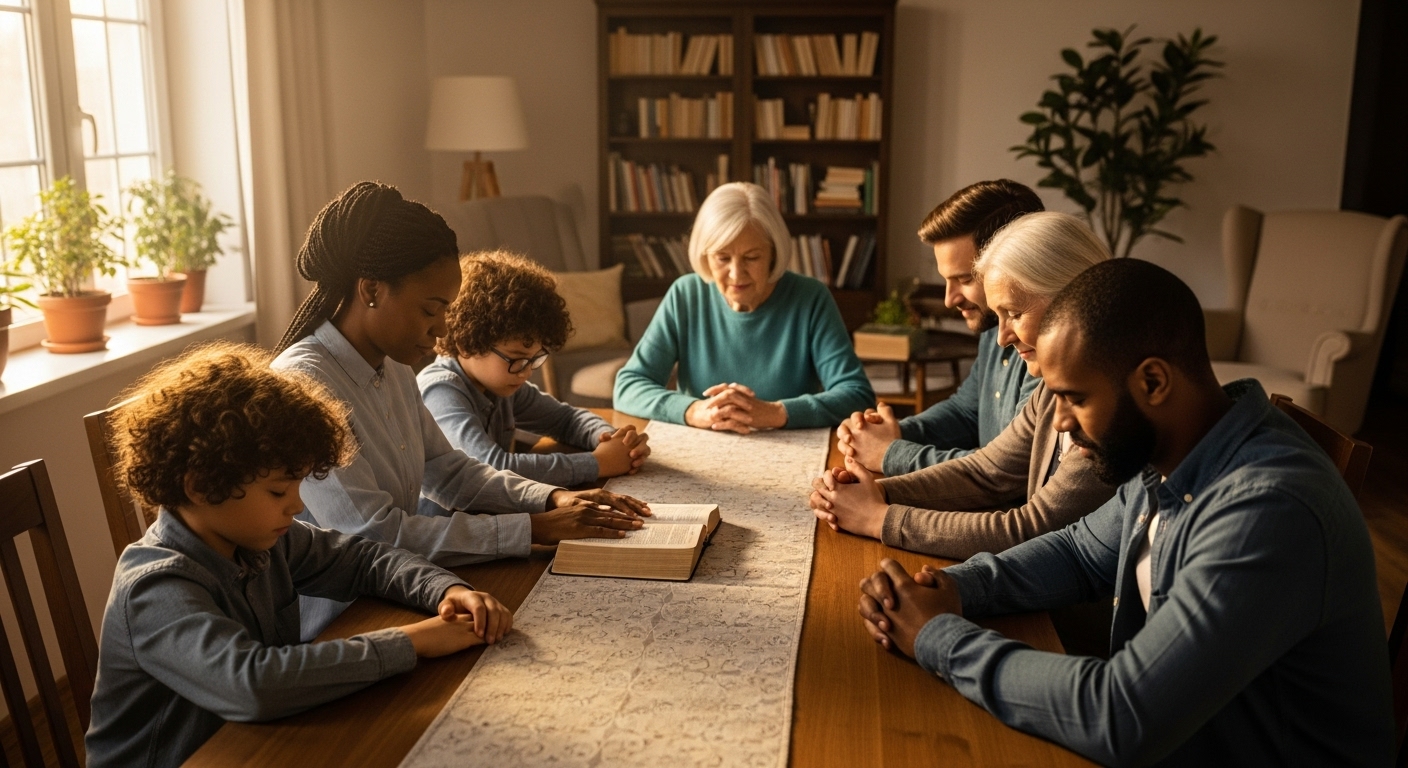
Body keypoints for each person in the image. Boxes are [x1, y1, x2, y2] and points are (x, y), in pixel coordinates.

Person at [856, 259, 1394, 766]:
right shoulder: (1173, 447)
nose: (1060, 422)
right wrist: (956, 588)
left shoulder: (1269, 508)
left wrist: (937, 638)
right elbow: (1079, 553)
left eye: (1074, 398)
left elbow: (1122, 714)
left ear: (1153, 382)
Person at [84, 343, 514, 768]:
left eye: (298, 486)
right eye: (277, 490)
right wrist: (413, 641)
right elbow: (254, 683)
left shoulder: (261, 540)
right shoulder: (154, 586)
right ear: (200, 485)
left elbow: (365, 560)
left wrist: (445, 587)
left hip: (260, 743)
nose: (294, 505)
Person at [272, 182, 649, 639]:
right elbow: (371, 535)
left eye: (448, 310)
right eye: (432, 309)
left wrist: (551, 499)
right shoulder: (305, 381)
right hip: (345, 620)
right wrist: (534, 527)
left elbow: (449, 469)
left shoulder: (391, 365)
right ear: (371, 290)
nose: (442, 330)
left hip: (413, 585)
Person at [811, 212, 1115, 560]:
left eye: (1014, 314)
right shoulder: (1050, 387)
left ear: (1071, 297)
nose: (1001, 338)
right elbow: (986, 471)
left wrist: (879, 517)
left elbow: (1030, 528)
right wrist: (875, 492)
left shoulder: (1104, 403)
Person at [613, 182, 873, 433]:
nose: (736, 274)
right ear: (704, 255)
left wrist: (776, 413)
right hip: (699, 450)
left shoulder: (810, 298)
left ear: (773, 252)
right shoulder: (685, 294)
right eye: (722, 258)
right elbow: (628, 387)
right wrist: (694, 411)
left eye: (752, 257)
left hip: (790, 453)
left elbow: (857, 395)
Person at [838, 180, 1044, 476]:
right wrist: (893, 433)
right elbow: (966, 412)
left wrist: (889, 453)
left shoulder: (1047, 347)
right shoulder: (991, 327)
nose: (949, 300)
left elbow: (1010, 469)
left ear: (1012, 262)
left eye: (964, 279)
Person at [419, 250, 651, 486]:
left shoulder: (502, 387)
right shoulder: (441, 391)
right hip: (450, 521)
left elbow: (566, 419)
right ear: (466, 344)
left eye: (534, 359)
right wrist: (597, 463)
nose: (527, 371)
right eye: (516, 359)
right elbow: (490, 467)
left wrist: (611, 439)